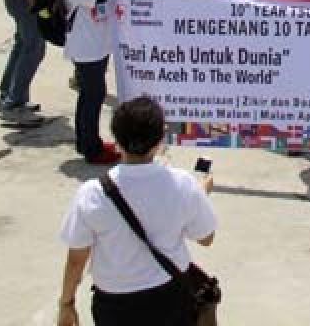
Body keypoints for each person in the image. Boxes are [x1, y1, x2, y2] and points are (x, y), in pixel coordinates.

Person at [58, 97, 216, 326]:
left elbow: (76, 260)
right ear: (160, 140)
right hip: (170, 295)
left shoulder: (92, 193)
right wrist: (199, 195)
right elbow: (206, 237)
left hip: (115, 304)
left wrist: (66, 303)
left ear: (116, 140)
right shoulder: (183, 184)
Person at [52, 0, 120, 165]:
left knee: (91, 95)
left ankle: (88, 141)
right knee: (92, 97)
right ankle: (91, 148)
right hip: (84, 47)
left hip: (96, 44)